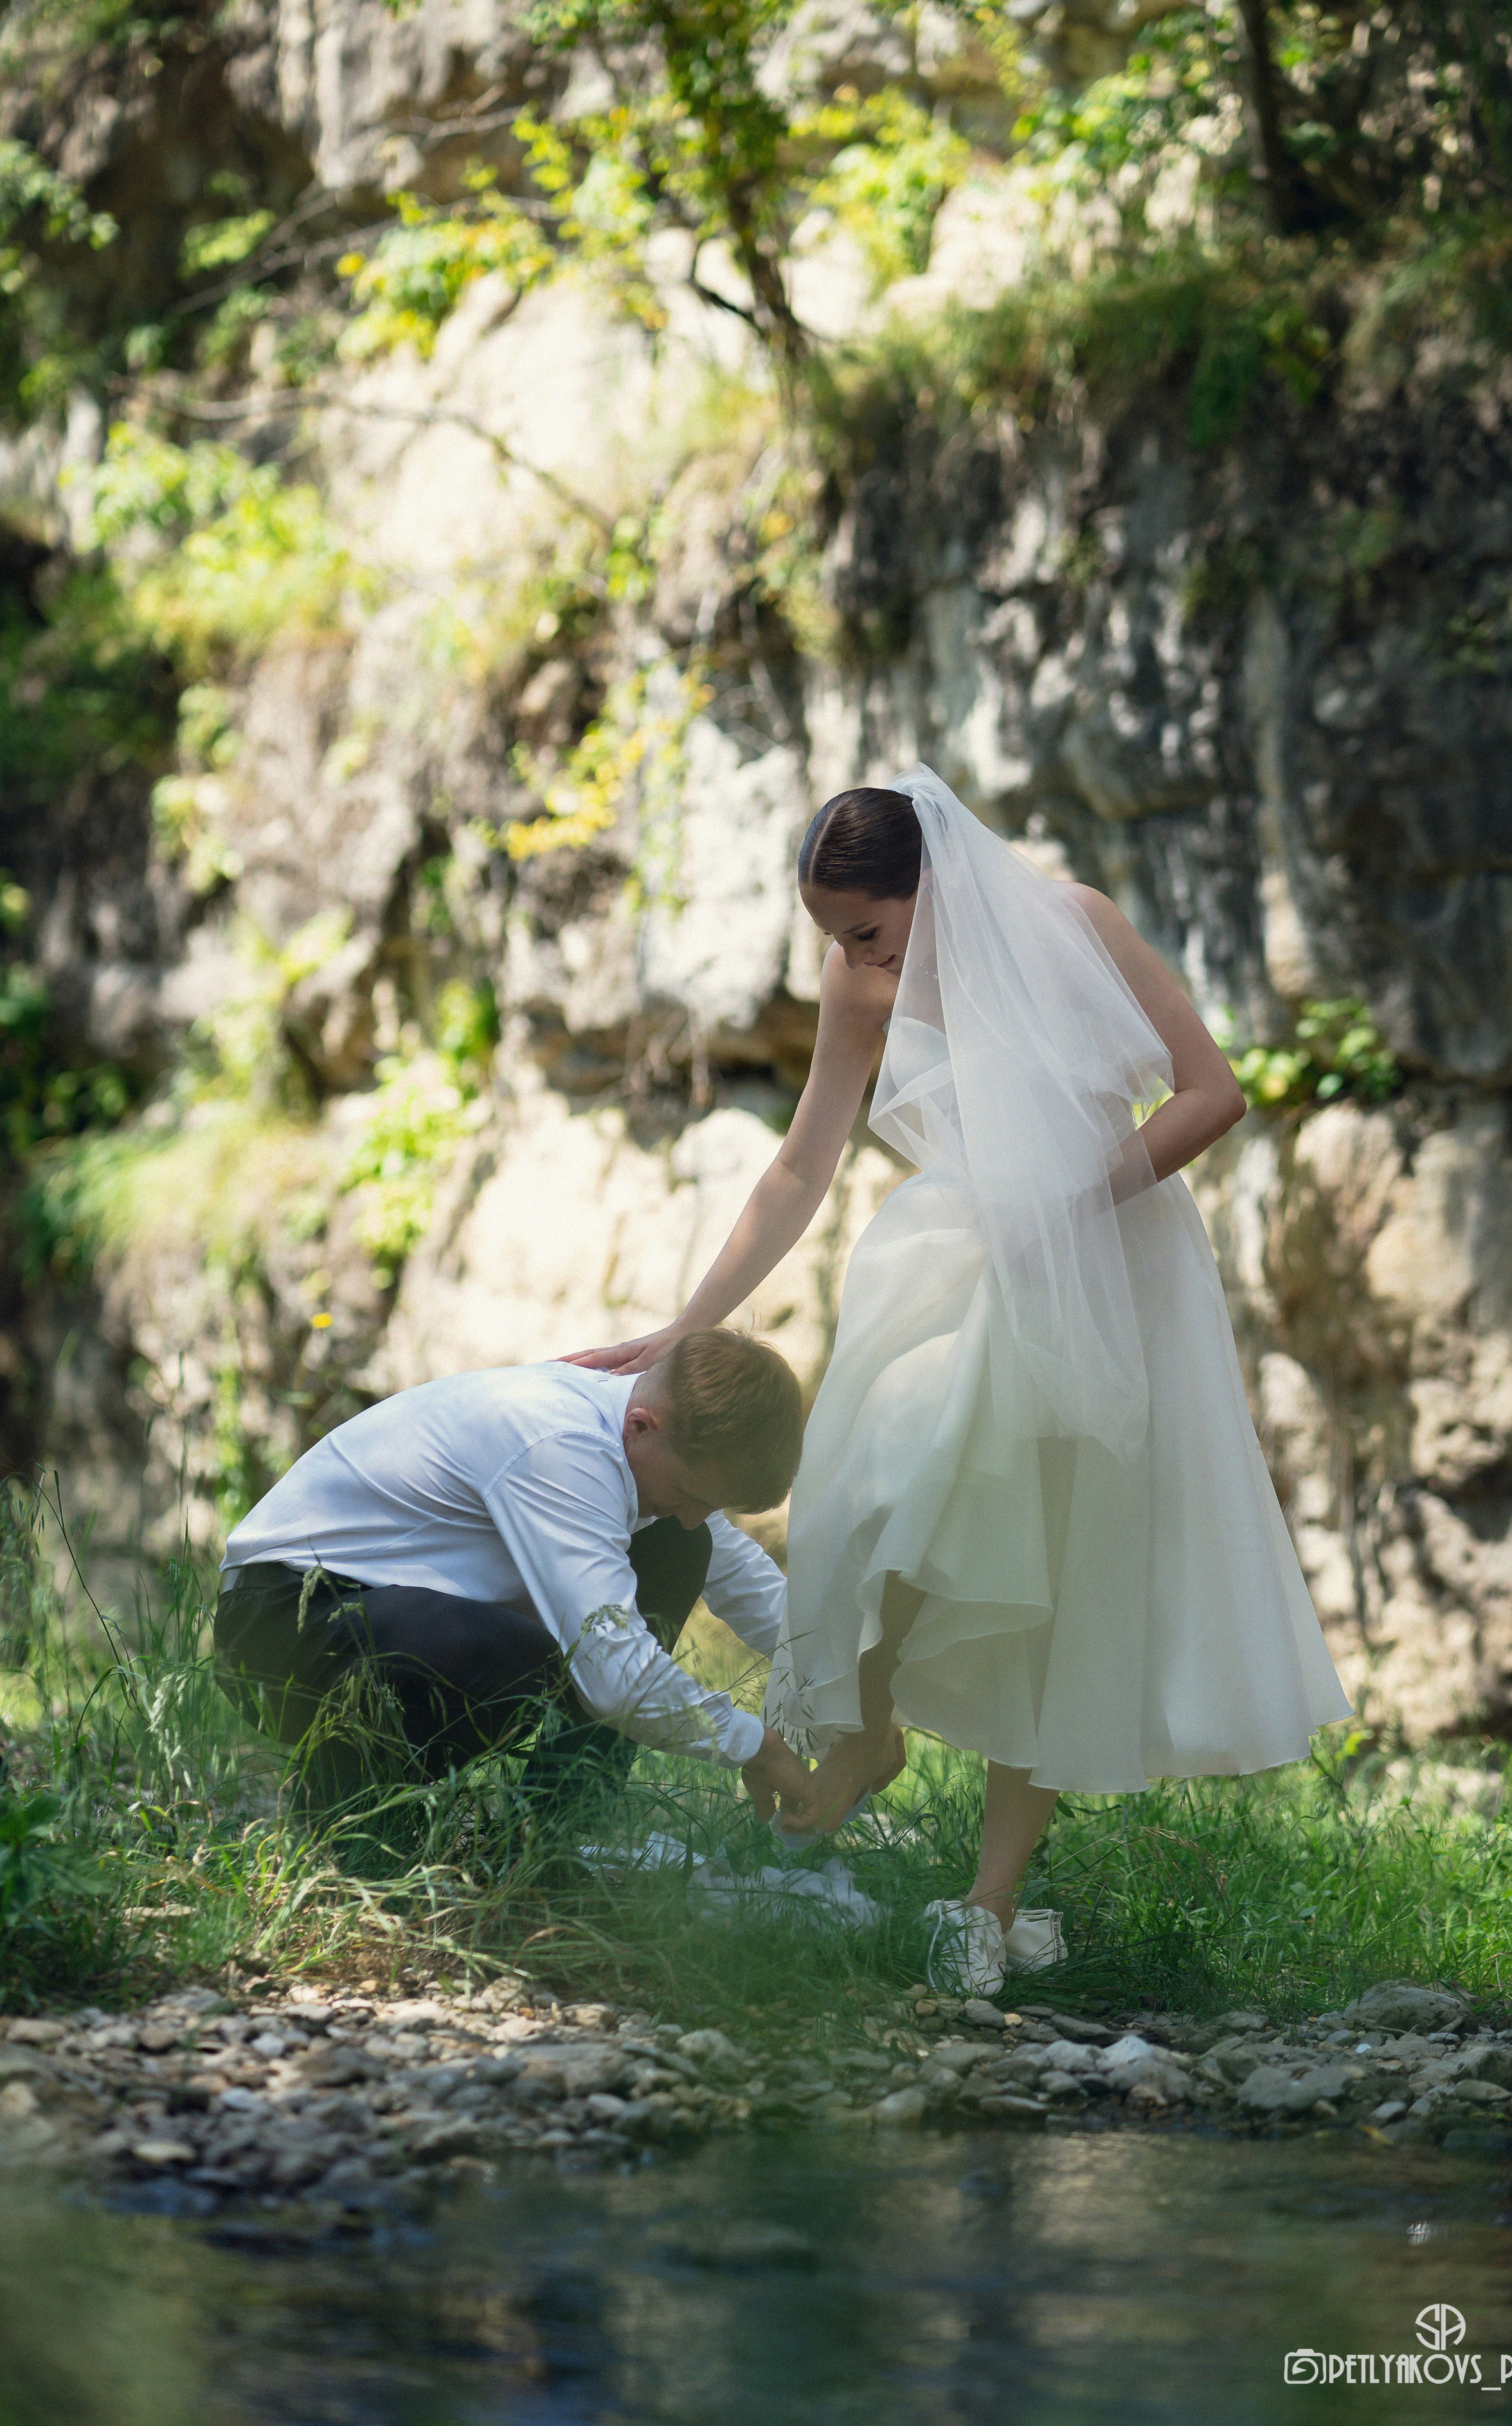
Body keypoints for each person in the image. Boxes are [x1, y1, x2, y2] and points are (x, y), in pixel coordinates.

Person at [566, 767, 1354, 1995]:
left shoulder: (1074, 924)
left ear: (932, 883)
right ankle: (867, 1734)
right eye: (834, 939)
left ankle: (986, 1906)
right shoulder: (855, 979)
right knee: (876, 1487)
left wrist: (1066, 1210)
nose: (856, 961)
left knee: (1060, 1570)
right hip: (956, 1263)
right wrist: (686, 1324)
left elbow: (1213, 1093)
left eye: (868, 931)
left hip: (1107, 1262)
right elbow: (801, 1163)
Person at [214, 1327, 819, 1824]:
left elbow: (758, 1596)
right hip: (279, 1624)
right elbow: (614, 1674)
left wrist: (860, 1703)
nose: (694, 1516)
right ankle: (346, 1819)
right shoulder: (563, 1445)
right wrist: (753, 1744)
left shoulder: (635, 1442)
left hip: (391, 1615)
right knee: (514, 1657)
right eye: (690, 1494)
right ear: (644, 1425)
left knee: (681, 1549)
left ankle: (553, 1842)